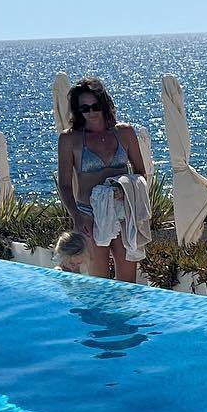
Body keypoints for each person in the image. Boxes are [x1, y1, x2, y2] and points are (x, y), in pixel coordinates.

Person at [56, 77, 148, 282]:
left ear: (104, 104)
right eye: (85, 108)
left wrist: (124, 190)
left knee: (127, 283)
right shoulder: (69, 139)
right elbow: (65, 184)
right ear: (77, 110)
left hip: (124, 213)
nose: (91, 112)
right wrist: (77, 217)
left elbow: (141, 173)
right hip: (90, 217)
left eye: (95, 106)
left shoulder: (125, 133)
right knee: (99, 284)